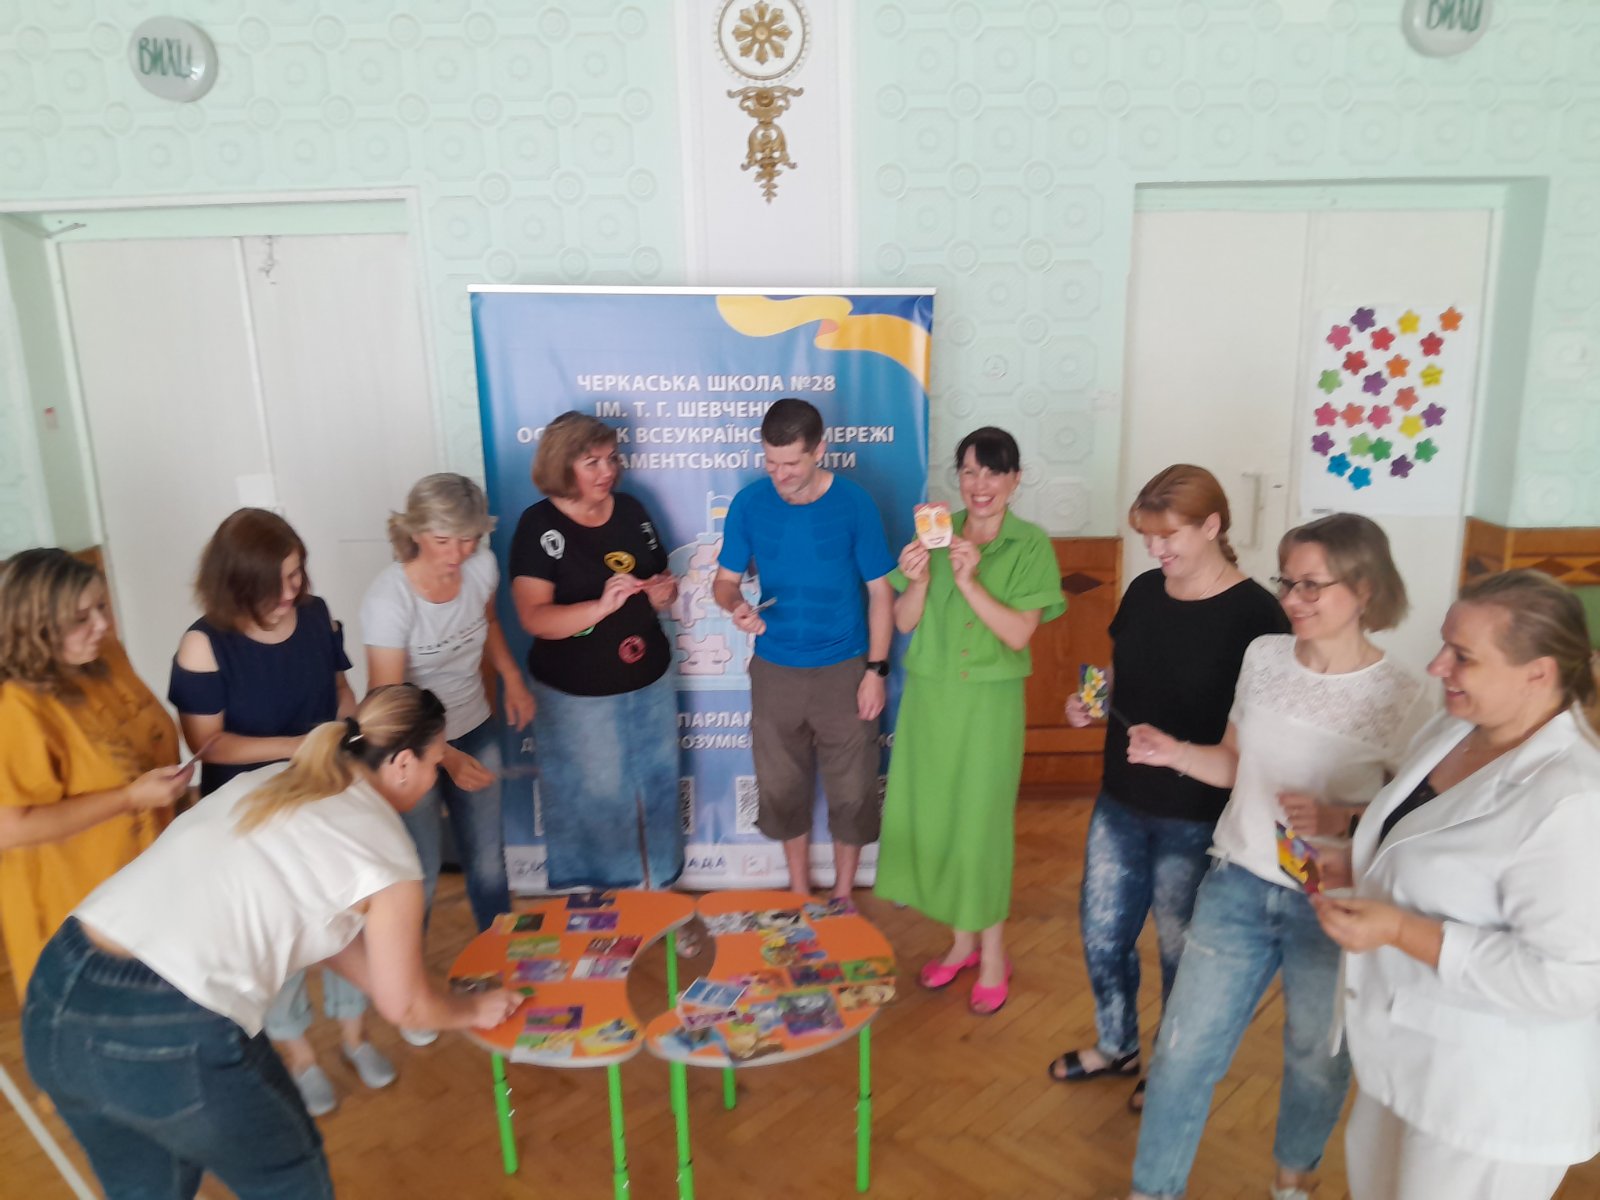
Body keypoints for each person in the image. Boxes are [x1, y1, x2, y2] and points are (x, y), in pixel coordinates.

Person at [21, 685, 523, 1199]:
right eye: (435, 763)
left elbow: (326, 929)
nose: (436, 776)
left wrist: (419, 991)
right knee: (291, 1184)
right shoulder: (387, 852)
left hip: (57, 986)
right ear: (401, 764)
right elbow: (407, 1007)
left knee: (150, 1190)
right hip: (170, 1021)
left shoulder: (279, 781)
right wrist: (470, 1010)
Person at [1123, 513, 1430, 1200]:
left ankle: (1294, 1182)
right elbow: (1235, 764)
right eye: (1287, 582)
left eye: (1312, 585)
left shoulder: (1404, 696)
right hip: (1236, 880)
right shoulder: (1264, 656)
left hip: (1331, 903)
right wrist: (1174, 753)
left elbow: (1413, 824)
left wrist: (1343, 819)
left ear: (1365, 588)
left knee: (1317, 1059)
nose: (1294, 598)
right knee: (1182, 1052)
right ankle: (1151, 1190)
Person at [1315, 571, 1600, 1200]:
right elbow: (1430, 851)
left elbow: (1568, 981)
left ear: (1538, 673)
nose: (1436, 665)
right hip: (1407, 1057)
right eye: (1445, 644)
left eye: (1463, 656)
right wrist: (1360, 870)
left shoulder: (1574, 800)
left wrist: (1399, 929)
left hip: (1493, 1097)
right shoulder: (1455, 729)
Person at [1047, 466, 1288, 1105]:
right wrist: (1091, 701)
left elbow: (1257, 740)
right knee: (1103, 935)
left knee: (1182, 949)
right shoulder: (1145, 590)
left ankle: (1172, 1068)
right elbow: (1119, 671)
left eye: (1168, 536)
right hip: (1119, 800)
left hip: (1196, 815)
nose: (1156, 550)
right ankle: (1117, 1045)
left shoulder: (1258, 617)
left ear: (1212, 526)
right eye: (1148, 537)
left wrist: (1177, 754)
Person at [169, 508, 390, 1117]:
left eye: (297, 573)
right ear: (238, 580)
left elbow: (340, 691)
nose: (293, 590)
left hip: (327, 791)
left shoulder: (315, 616)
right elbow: (209, 745)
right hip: (254, 811)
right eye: (278, 580)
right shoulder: (204, 644)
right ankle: (300, 1057)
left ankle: (354, 1037)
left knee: (348, 917)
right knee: (283, 933)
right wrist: (300, 745)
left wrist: (350, 734)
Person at [874, 427, 1066, 1015]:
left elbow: (1018, 633)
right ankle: (960, 944)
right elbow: (904, 621)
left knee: (981, 827)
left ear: (1015, 479)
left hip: (988, 704)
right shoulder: (934, 533)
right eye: (969, 472)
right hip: (930, 701)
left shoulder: (1030, 544)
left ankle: (993, 958)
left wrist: (968, 580)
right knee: (938, 820)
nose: (980, 485)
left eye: (994, 472)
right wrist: (921, 580)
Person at [362, 473, 534, 1043]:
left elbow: (488, 623)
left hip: (475, 725)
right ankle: (412, 996)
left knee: (488, 865)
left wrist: (512, 678)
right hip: (409, 754)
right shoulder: (389, 600)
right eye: (443, 541)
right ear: (414, 533)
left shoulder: (481, 567)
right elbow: (388, 706)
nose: (457, 554)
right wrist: (447, 757)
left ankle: (505, 965)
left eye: (468, 538)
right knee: (420, 877)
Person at [713, 398, 896, 898]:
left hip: (845, 667)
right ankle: (798, 891)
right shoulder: (749, 503)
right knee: (781, 787)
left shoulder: (855, 503)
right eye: (770, 462)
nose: (780, 475)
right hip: (775, 669)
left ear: (820, 450)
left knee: (853, 788)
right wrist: (736, 606)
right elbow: (724, 581)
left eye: (791, 463)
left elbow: (881, 593)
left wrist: (876, 670)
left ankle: (842, 896)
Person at [0, 548, 191, 1001]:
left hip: (143, 877)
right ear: (32, 627)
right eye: (80, 618)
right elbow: (10, 827)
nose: (102, 624)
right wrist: (129, 799)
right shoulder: (15, 707)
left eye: (102, 606)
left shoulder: (106, 656)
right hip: (76, 906)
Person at [508, 412, 684, 891]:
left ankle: (660, 889)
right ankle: (606, 902)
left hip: (650, 680)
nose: (607, 471)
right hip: (577, 695)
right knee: (597, 794)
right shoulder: (538, 526)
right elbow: (534, 618)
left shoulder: (631, 509)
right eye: (592, 462)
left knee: (659, 783)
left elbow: (661, 582)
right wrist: (600, 608)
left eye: (611, 458)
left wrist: (663, 592)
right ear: (562, 466)